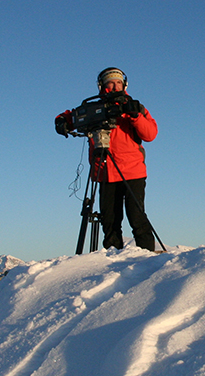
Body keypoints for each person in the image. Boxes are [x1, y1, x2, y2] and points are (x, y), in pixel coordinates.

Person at [55, 67, 159, 251]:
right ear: (102, 86)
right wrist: (62, 121)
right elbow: (70, 117)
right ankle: (113, 264)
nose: (115, 86)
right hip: (104, 172)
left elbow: (150, 134)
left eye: (118, 82)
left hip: (132, 171)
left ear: (124, 84)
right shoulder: (93, 108)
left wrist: (134, 115)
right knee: (109, 222)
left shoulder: (134, 106)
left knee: (137, 218)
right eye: (111, 82)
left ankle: (148, 262)